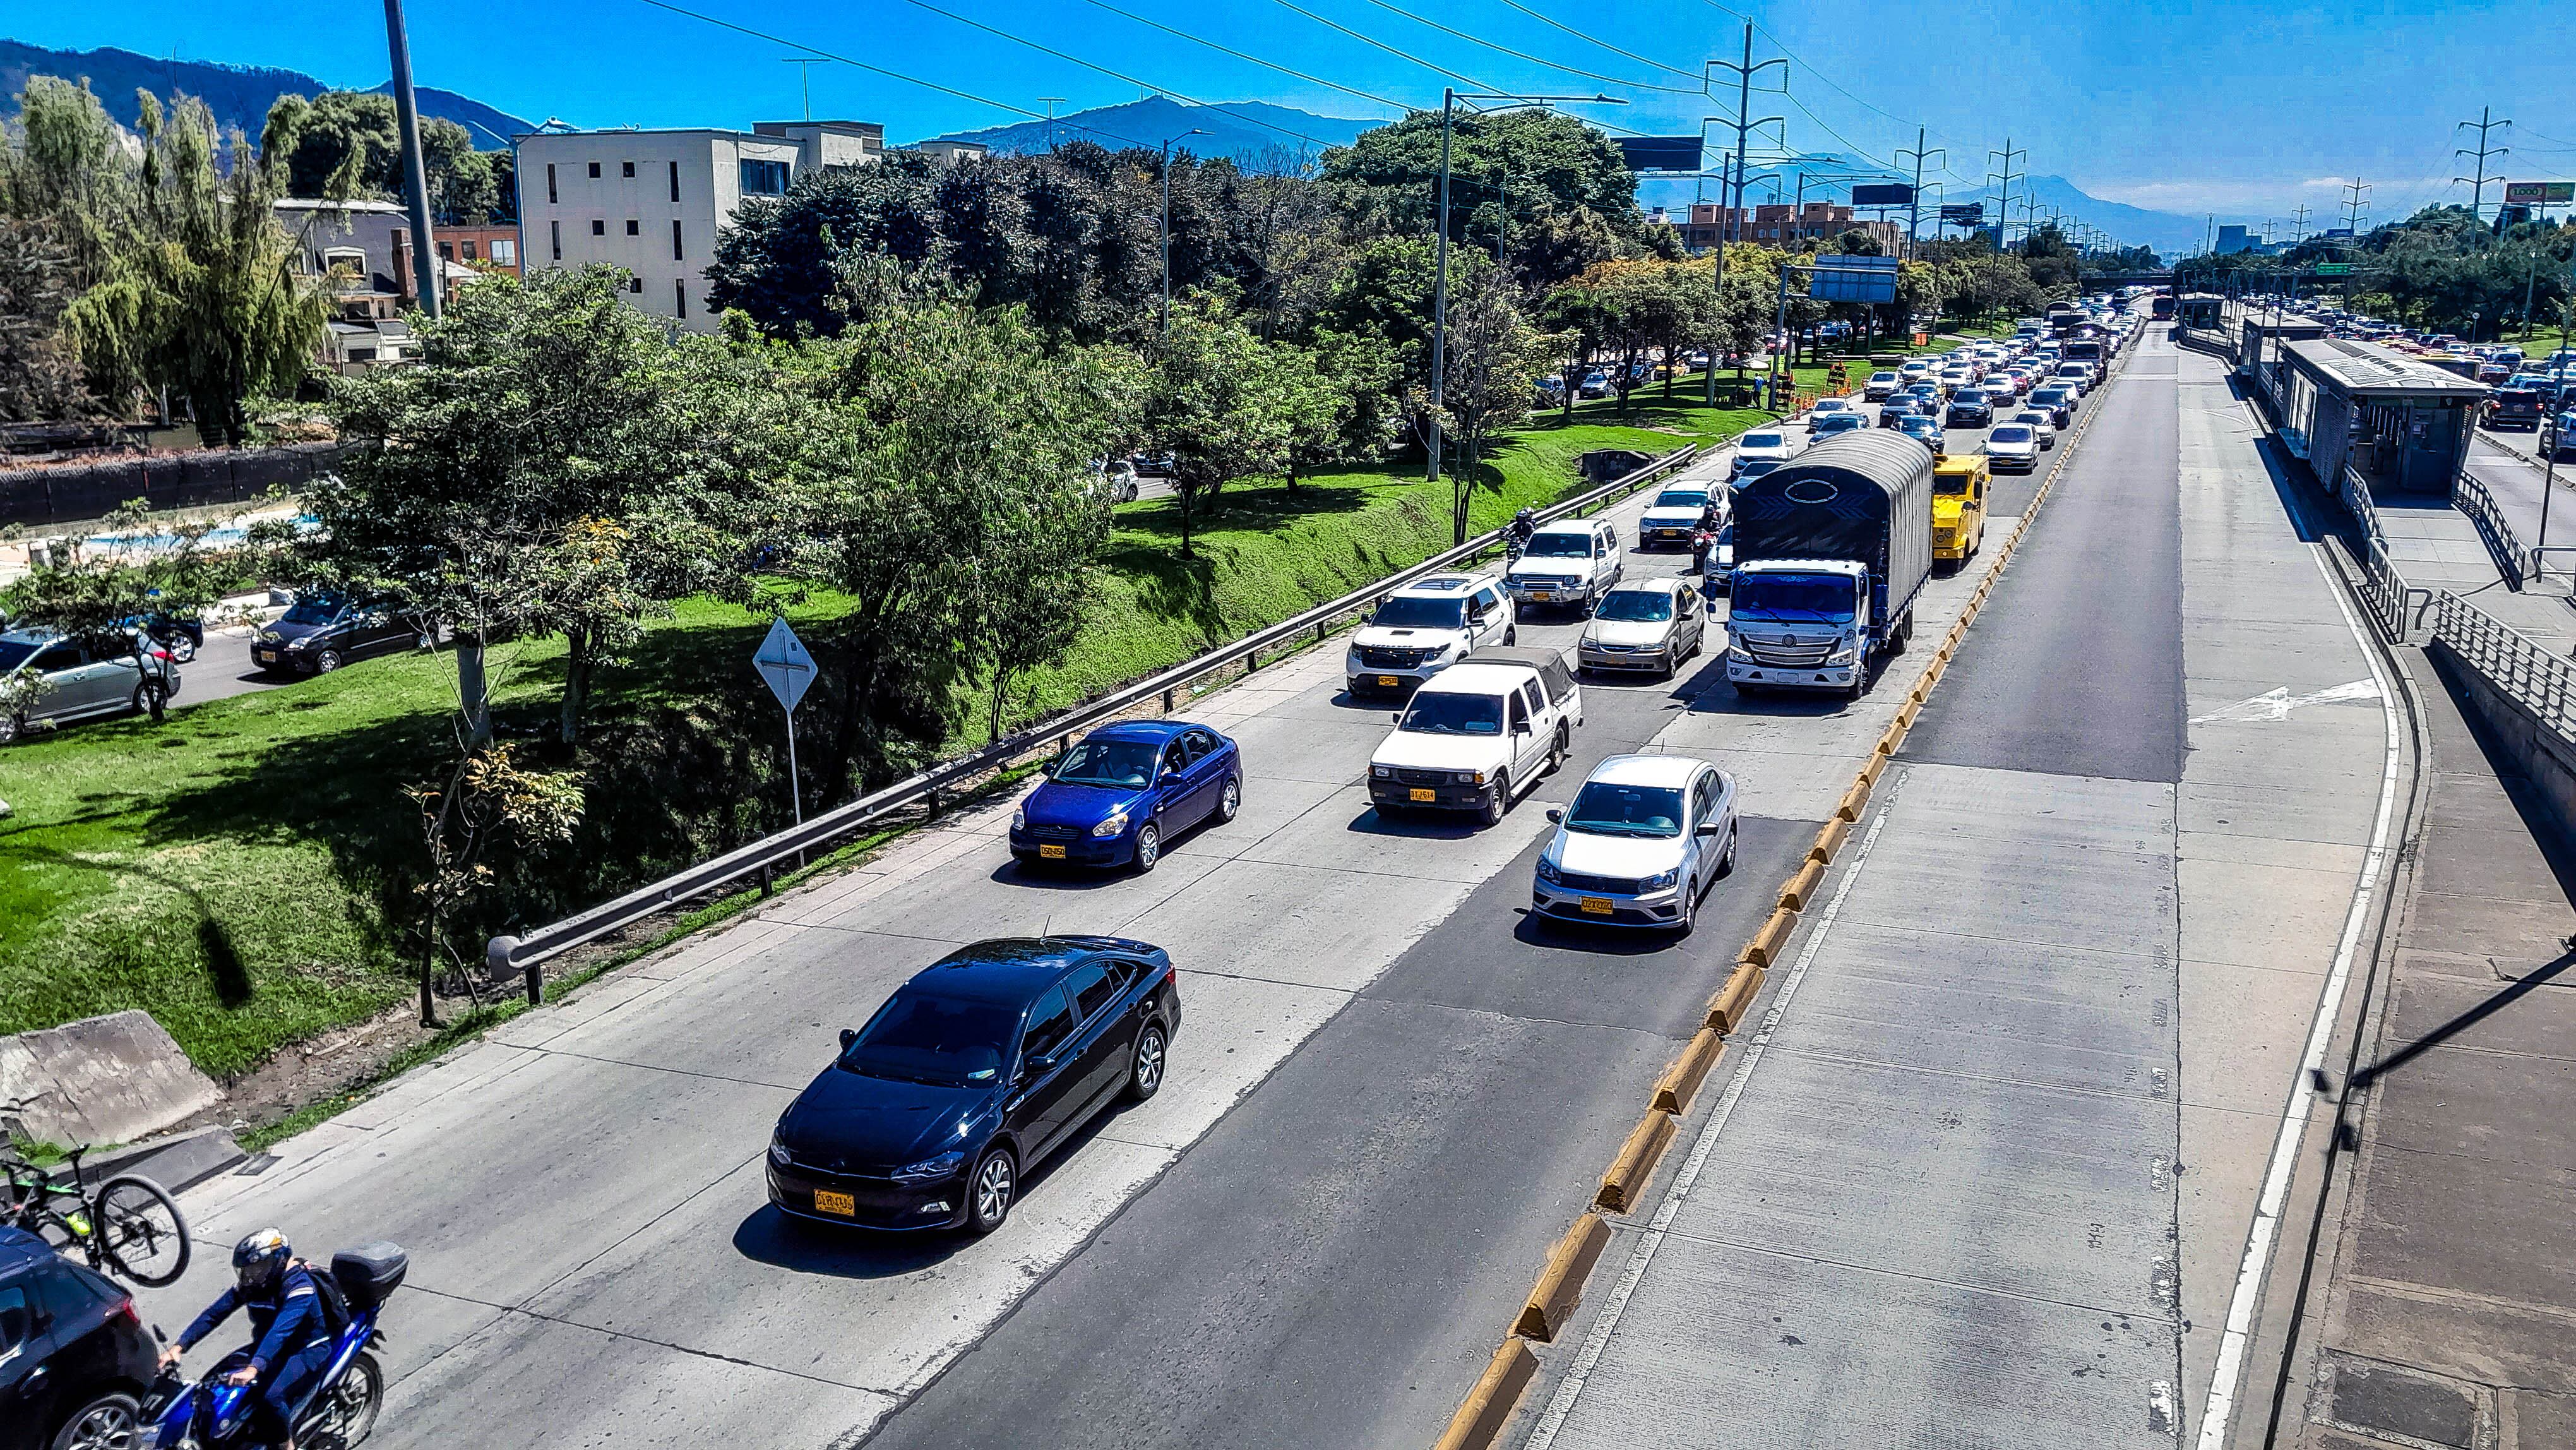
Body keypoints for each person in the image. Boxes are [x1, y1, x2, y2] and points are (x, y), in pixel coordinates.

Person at [162, 1230, 337, 1450]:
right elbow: (215, 1313)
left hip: (306, 1350)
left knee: (270, 1397)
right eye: (246, 1270)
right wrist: (180, 1346)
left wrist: (254, 1368)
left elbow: (280, 1332)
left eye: (256, 1268)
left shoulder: (299, 1287)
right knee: (209, 1387)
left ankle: (286, 1444)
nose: (250, 1275)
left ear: (277, 1261)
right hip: (265, 1349)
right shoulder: (255, 1284)